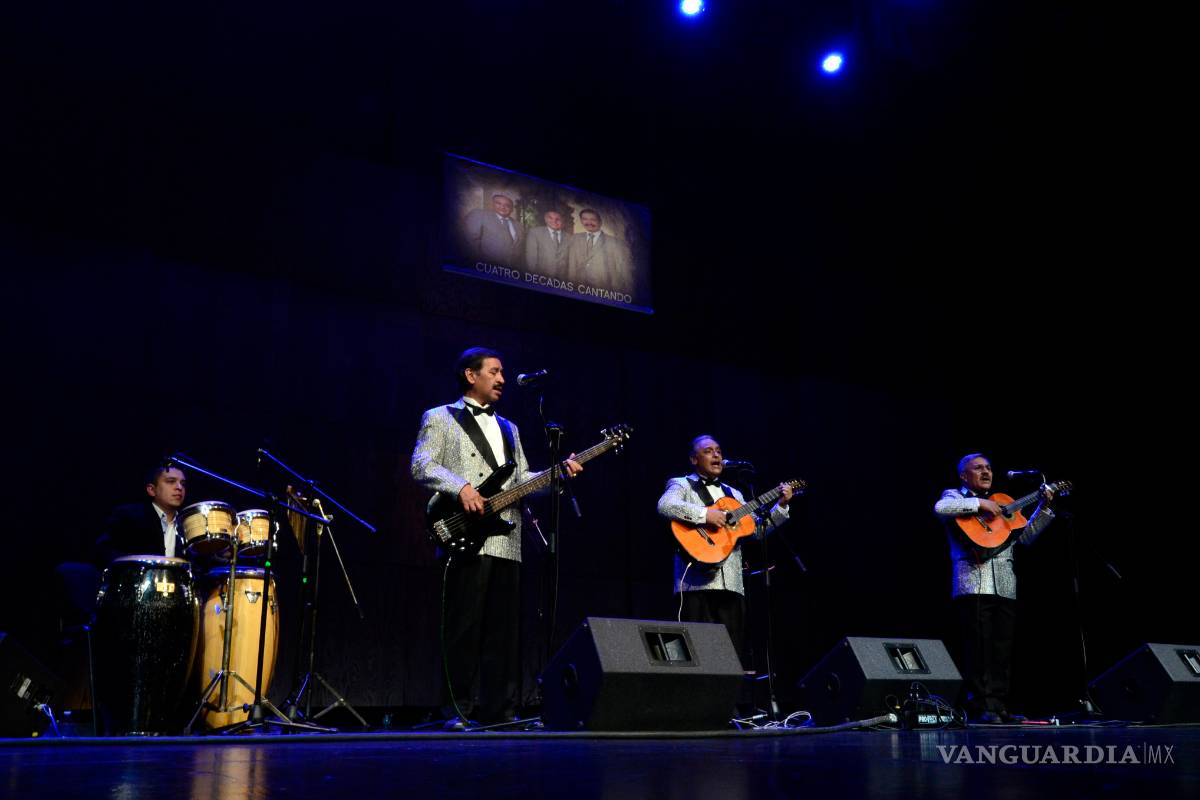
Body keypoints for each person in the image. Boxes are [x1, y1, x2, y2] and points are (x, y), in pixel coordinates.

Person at [411, 347, 581, 728]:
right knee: (463, 627)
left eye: (502, 372)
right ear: (471, 376)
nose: (503, 379)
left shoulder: (510, 428)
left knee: (504, 633)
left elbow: (519, 482)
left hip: (507, 539)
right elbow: (422, 464)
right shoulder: (439, 417)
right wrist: (461, 488)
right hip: (464, 534)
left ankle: (500, 711)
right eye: (495, 371)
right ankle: (455, 711)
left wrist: (556, 475)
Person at [934, 453, 1055, 724]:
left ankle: (999, 706)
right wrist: (981, 503)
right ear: (964, 475)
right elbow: (941, 508)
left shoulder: (1003, 504)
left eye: (988, 467)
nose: (986, 472)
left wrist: (1044, 509)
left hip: (1005, 584)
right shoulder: (954, 496)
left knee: (1002, 649)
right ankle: (979, 707)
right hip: (973, 583)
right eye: (978, 468)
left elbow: (1024, 538)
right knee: (979, 649)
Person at [656, 435, 792, 676]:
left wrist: (780, 506)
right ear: (694, 459)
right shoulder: (681, 484)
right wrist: (706, 515)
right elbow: (665, 506)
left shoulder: (735, 494)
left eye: (718, 450)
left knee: (729, 655)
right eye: (708, 451)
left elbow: (756, 530)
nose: (716, 455)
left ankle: (728, 711)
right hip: (695, 584)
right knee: (697, 653)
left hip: (731, 586)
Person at [94, 465, 188, 566]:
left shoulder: (187, 524)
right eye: (171, 481)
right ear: (151, 490)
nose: (179, 487)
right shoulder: (129, 516)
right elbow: (103, 550)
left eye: (182, 483)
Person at [566, 208, 633, 295]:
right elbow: (571, 266)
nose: (589, 222)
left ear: (600, 221)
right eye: (585, 219)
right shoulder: (575, 238)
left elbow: (624, 273)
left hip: (605, 292)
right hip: (577, 290)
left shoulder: (615, 243)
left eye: (593, 219)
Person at [463, 193, 524, 266]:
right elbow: (469, 242)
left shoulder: (518, 225)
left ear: (511, 209)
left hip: (510, 271)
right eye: (498, 203)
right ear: (492, 204)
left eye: (507, 205)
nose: (503, 207)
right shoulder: (480, 215)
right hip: (486, 268)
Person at [523, 209, 570, 275]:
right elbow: (531, 259)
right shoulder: (535, 233)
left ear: (562, 220)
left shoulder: (569, 237)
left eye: (558, 219)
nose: (554, 221)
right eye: (550, 218)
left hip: (562, 279)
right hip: (541, 276)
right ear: (545, 219)